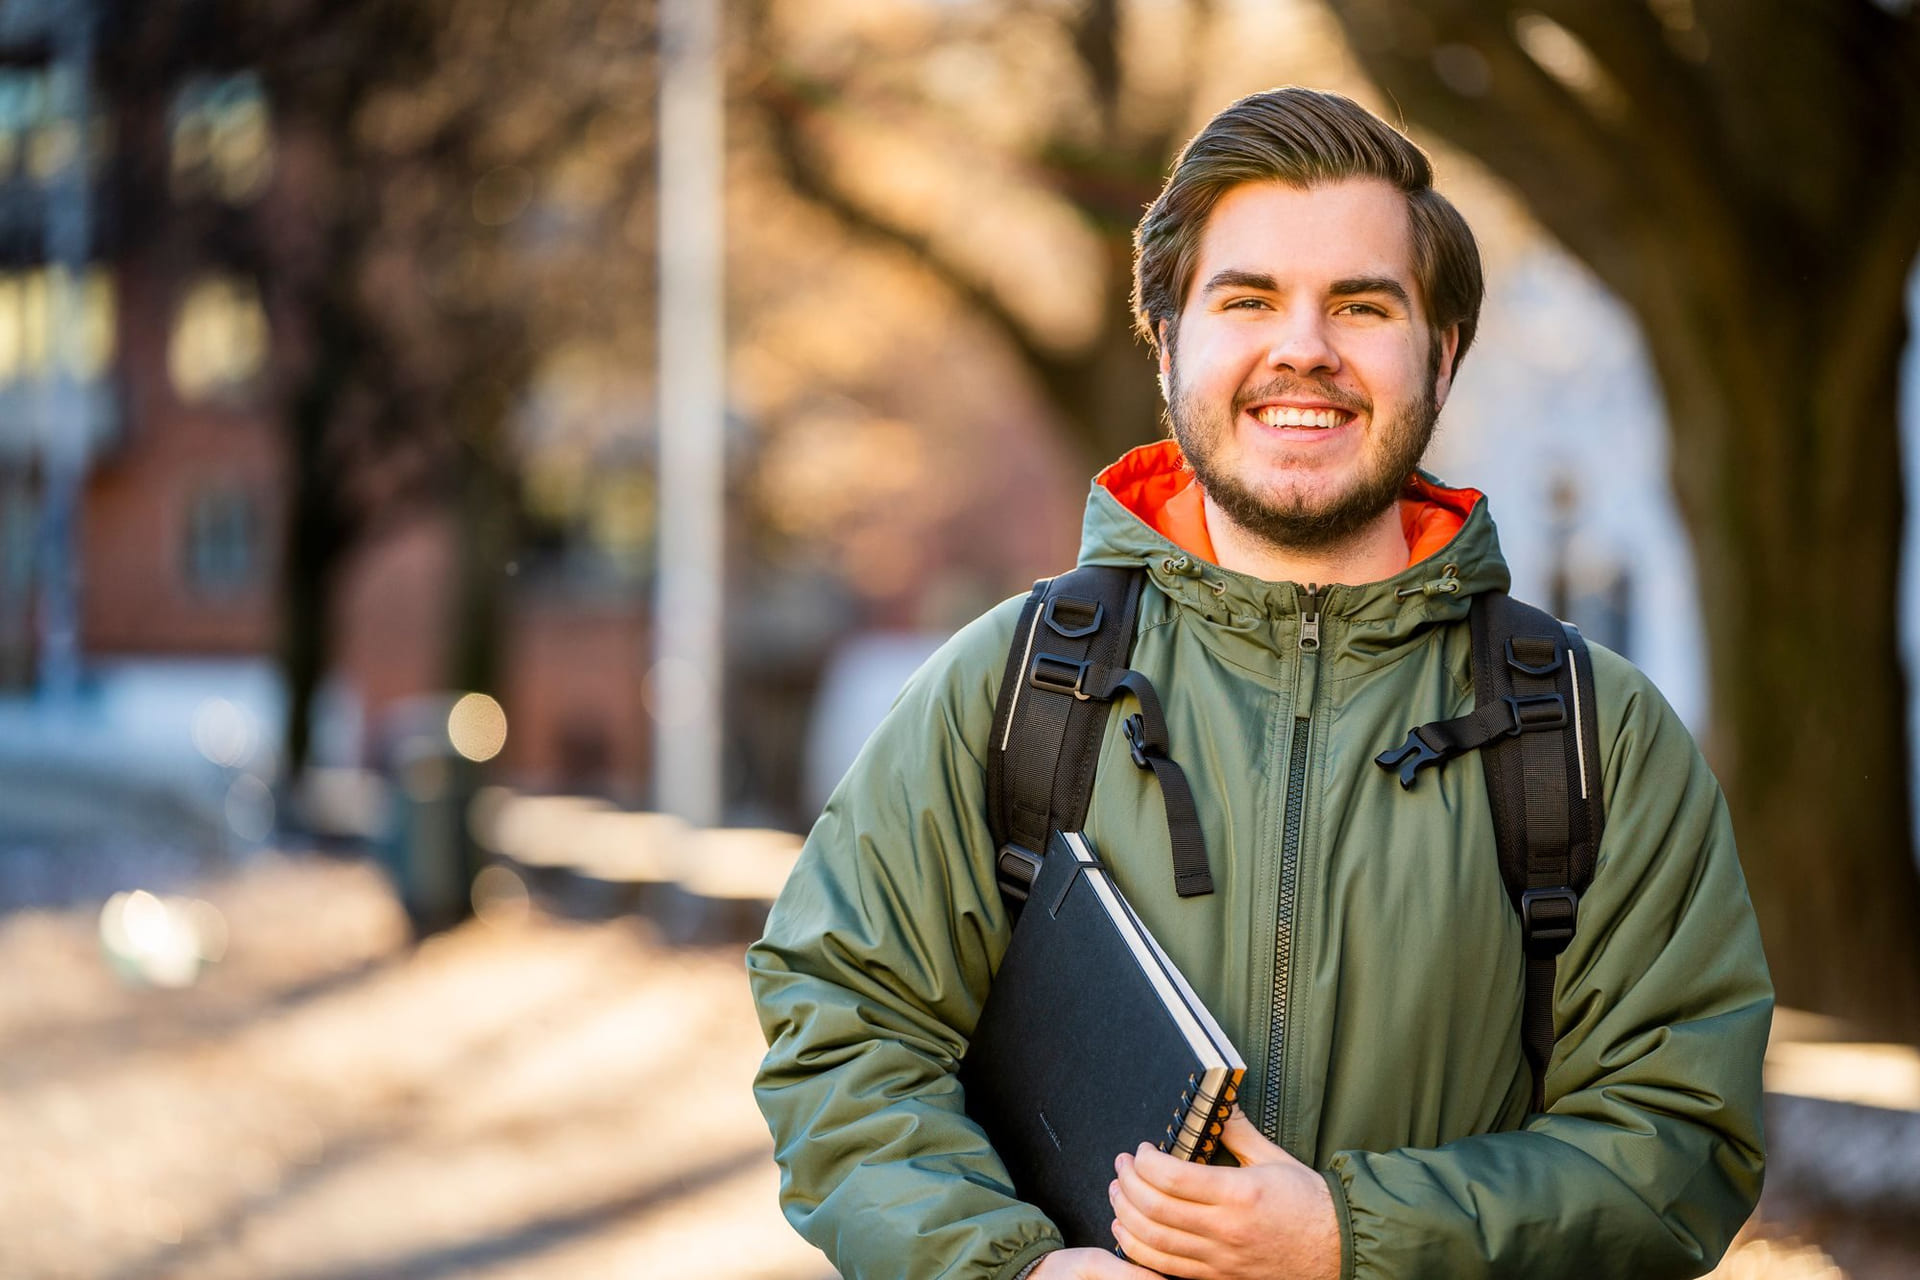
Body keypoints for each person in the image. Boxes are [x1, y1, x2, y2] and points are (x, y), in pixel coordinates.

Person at [747, 87, 1770, 1280]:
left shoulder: (1596, 734)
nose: (1304, 347)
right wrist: (1012, 1266)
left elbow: (1682, 1138)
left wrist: (1355, 1233)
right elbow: (842, 1033)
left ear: (1439, 355)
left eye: (1361, 303)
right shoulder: (1010, 688)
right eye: (1249, 299)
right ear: (1171, 342)